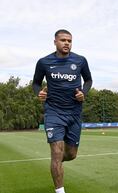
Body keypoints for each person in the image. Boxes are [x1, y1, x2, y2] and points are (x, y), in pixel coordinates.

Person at [32, 29, 92, 193]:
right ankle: (59, 189)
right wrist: (39, 92)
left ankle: (56, 163)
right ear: (55, 42)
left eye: (69, 41)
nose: (67, 43)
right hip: (53, 112)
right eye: (63, 40)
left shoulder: (80, 61)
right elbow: (36, 83)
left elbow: (88, 80)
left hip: (74, 113)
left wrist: (83, 93)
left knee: (71, 154)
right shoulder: (44, 62)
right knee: (57, 152)